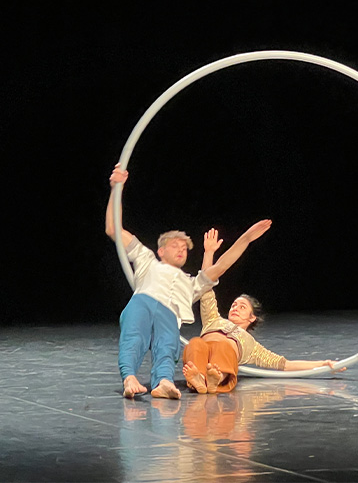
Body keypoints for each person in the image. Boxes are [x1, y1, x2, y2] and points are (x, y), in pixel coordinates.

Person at [106, 163, 272, 399]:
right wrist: (116, 189)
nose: (181, 250)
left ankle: (163, 382)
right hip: (144, 301)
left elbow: (221, 266)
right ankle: (129, 378)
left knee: (168, 345)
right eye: (175, 245)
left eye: (184, 248)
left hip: (169, 314)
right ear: (161, 251)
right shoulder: (146, 259)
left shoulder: (192, 284)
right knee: (135, 336)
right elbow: (113, 229)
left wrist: (245, 239)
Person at [182, 230, 345, 394]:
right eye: (234, 305)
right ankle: (200, 380)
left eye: (242, 307)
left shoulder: (252, 346)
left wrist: (323, 364)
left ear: (252, 318)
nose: (235, 308)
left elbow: (285, 365)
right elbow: (206, 285)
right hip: (204, 361)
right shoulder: (213, 319)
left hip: (220, 364)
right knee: (195, 343)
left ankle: (216, 379)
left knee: (224, 347)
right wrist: (209, 253)